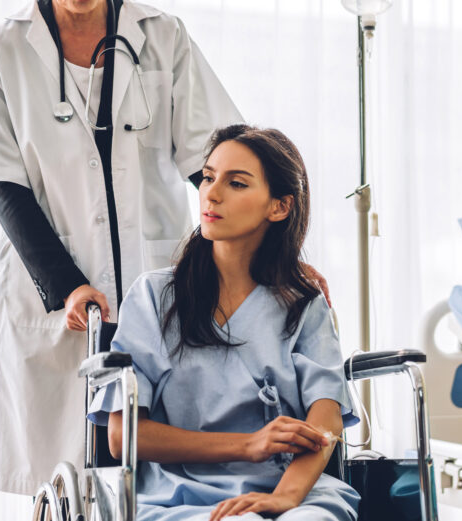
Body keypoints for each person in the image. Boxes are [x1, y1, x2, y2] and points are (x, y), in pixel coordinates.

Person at [0, 0, 243, 495]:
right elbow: (4, 183)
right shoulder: (4, 48)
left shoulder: (162, 34)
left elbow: (213, 161)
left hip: (153, 290)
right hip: (55, 293)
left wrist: (269, 257)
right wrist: (66, 285)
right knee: (66, 486)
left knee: (160, 481)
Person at [88, 124, 359, 521]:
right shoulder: (154, 297)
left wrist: (285, 498)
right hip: (175, 496)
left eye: (236, 184)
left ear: (279, 207)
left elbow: (324, 421)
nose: (211, 193)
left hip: (292, 489)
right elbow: (122, 435)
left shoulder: (303, 302)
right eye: (209, 177)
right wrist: (249, 444)